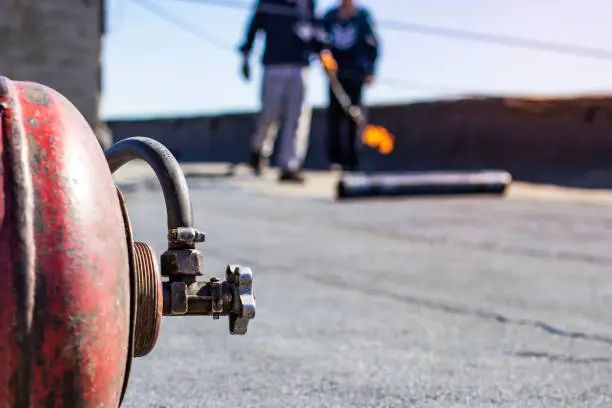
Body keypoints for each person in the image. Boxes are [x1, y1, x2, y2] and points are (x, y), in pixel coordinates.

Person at [239, 0, 326, 183]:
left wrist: (323, 50)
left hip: (300, 65)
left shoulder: (308, 2)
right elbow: (254, 27)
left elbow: (315, 29)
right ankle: (259, 150)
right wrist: (246, 55)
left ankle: (289, 165)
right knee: (269, 113)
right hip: (273, 64)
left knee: (297, 116)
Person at [321, 0, 379, 172]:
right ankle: (335, 159)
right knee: (334, 117)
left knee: (355, 116)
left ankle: (352, 161)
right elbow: (321, 42)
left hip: (356, 74)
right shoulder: (330, 16)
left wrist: (370, 70)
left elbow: (373, 45)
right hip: (335, 76)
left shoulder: (362, 17)